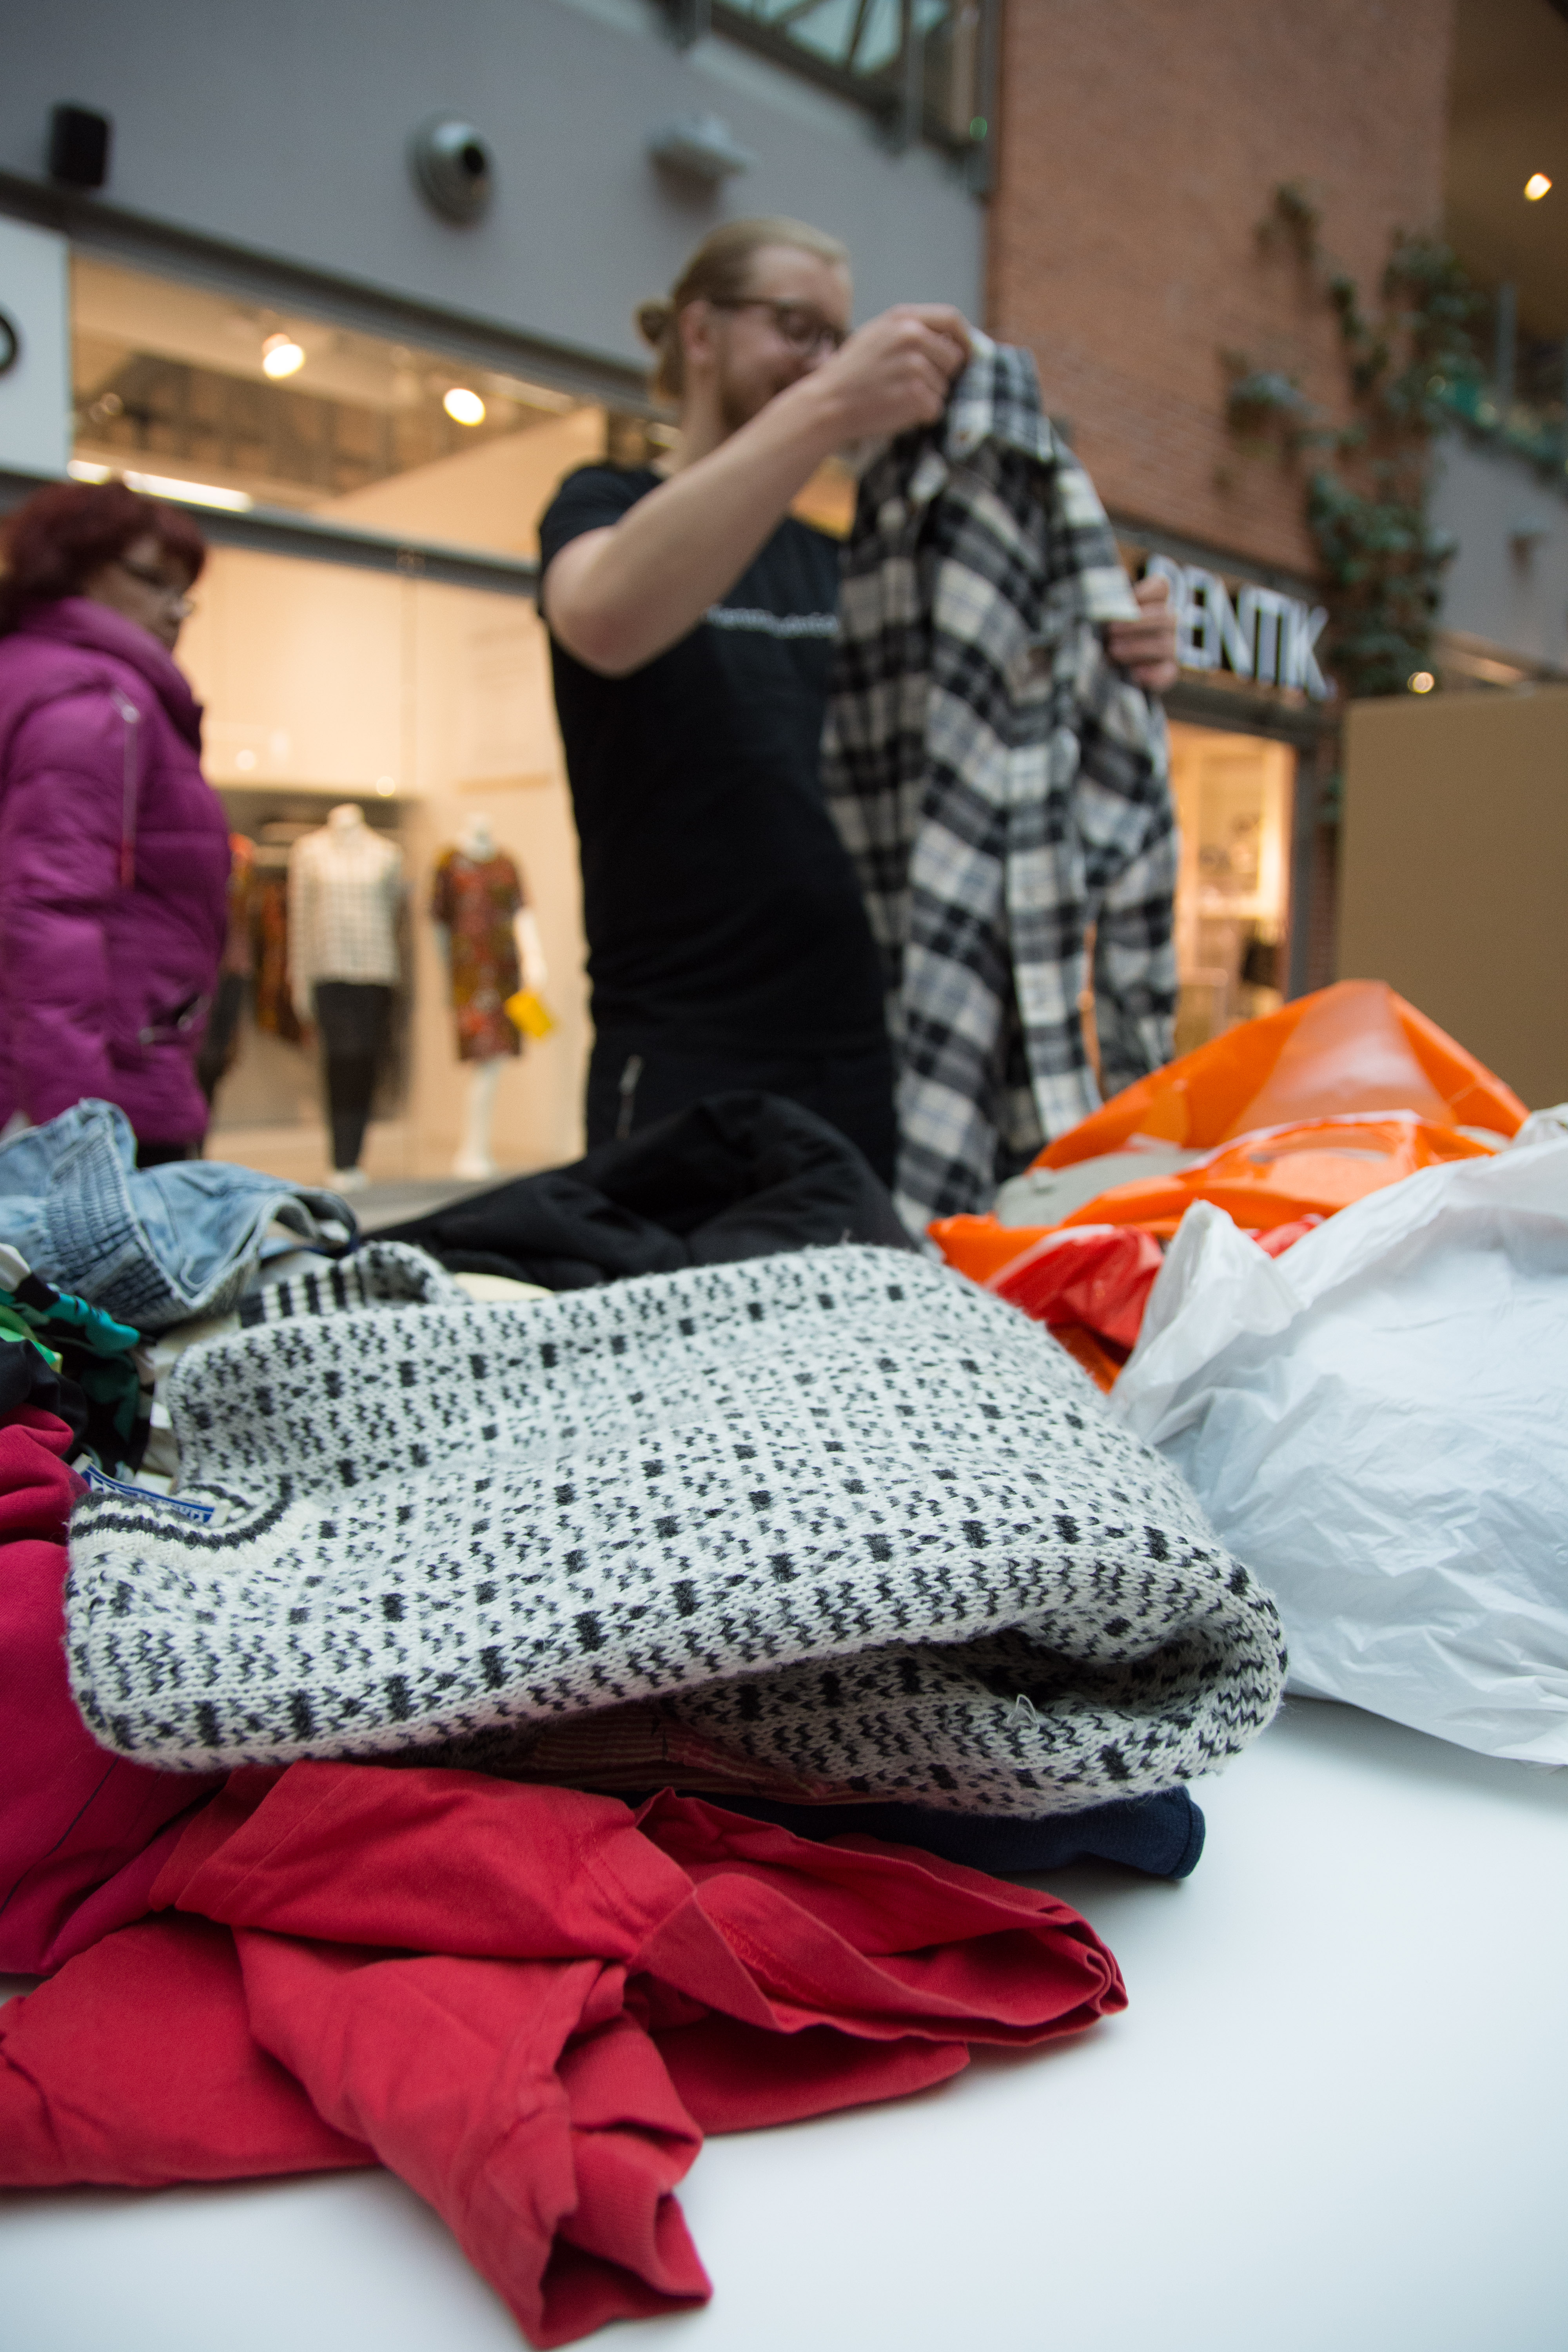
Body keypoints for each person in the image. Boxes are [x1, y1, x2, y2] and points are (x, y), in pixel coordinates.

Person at [539, 217, 1177, 1181]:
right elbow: (602, 618)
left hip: (878, 1055)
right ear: (699, 332)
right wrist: (834, 403)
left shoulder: (849, 563)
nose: (820, 359)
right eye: (795, 327)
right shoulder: (603, 505)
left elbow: (985, 730)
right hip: (683, 1061)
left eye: (835, 339)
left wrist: (1102, 648)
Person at [0, 481, 229, 1165]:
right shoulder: (97, 698)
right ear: (73, 566)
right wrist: (80, 1133)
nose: (175, 610)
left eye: (184, 591)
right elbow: (48, 913)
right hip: (108, 1085)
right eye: (154, 580)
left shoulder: (36, 677)